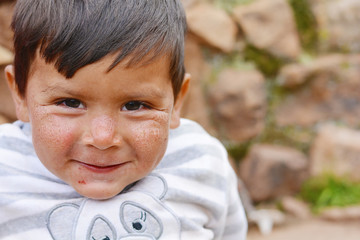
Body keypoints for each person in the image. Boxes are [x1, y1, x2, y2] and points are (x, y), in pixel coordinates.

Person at [0, 0, 247, 239]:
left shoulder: (201, 161)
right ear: (20, 95)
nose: (103, 138)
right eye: (70, 103)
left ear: (176, 102)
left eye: (135, 105)